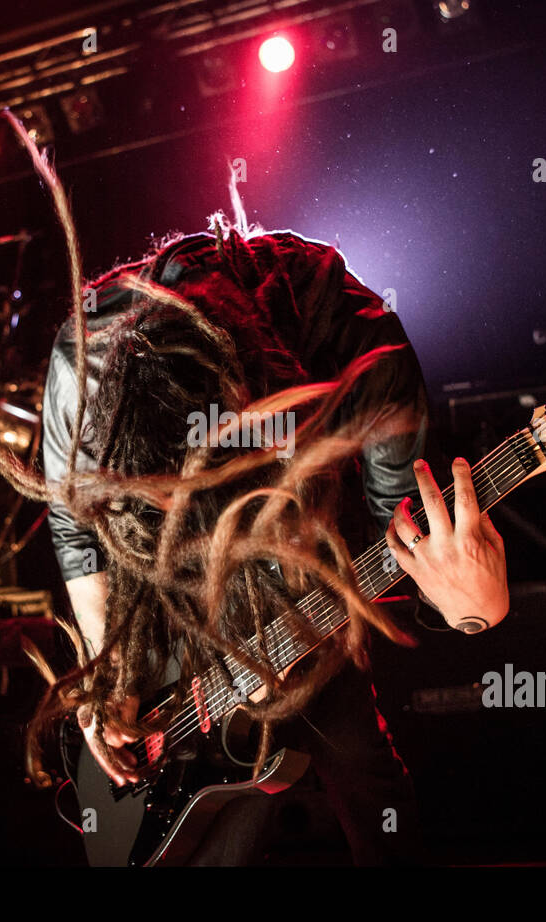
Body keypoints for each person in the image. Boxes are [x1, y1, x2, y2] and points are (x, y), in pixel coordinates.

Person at [37, 223, 509, 865]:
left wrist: (473, 610)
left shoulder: (350, 337)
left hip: (303, 569)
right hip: (163, 605)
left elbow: (402, 533)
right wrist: (114, 671)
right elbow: (73, 528)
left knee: (361, 769)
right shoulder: (80, 367)